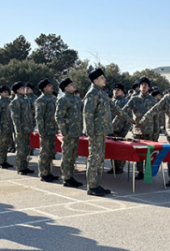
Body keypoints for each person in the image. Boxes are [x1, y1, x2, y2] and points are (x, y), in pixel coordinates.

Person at [83, 68, 135, 196]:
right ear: (95, 80)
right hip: (95, 132)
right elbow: (87, 115)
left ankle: (95, 184)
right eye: (102, 78)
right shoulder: (92, 94)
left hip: (102, 131)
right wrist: (89, 132)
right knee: (94, 159)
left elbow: (115, 108)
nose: (104, 79)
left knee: (99, 158)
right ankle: (92, 186)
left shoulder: (101, 93)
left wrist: (129, 119)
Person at [122, 77, 157, 179]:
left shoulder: (153, 100)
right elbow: (124, 111)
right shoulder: (134, 99)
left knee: (149, 153)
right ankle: (140, 172)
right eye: (142, 85)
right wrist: (130, 120)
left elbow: (157, 117)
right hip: (137, 130)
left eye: (146, 85)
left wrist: (156, 131)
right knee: (139, 153)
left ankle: (148, 172)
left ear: (149, 87)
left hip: (149, 130)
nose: (144, 86)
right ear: (139, 87)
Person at [55, 78, 84, 188]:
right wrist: (64, 131)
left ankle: (70, 176)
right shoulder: (63, 99)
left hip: (76, 132)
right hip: (68, 133)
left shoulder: (76, 99)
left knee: (73, 156)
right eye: (71, 85)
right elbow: (58, 116)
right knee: (67, 156)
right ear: (66, 88)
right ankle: (66, 178)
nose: (74, 86)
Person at [35, 78, 60, 182]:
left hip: (53, 130)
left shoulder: (54, 99)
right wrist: (41, 131)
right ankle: (43, 174)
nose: (51, 87)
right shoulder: (41, 100)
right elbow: (39, 117)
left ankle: (48, 172)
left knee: (50, 152)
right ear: (44, 88)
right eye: (49, 86)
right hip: (45, 130)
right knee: (44, 153)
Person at [9, 82, 35, 175]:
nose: (24, 89)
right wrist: (18, 130)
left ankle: (25, 166)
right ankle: (20, 167)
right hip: (21, 129)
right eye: (22, 88)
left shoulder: (26, 100)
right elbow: (15, 117)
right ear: (17, 90)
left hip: (28, 128)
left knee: (26, 149)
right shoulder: (15, 102)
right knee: (21, 149)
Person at [0, 85, 14, 169]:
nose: (6, 93)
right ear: (0, 93)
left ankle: (4, 160)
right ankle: (0, 161)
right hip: (2, 128)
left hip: (9, 127)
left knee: (6, 145)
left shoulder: (9, 102)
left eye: (7, 91)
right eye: (4, 92)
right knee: (1, 145)